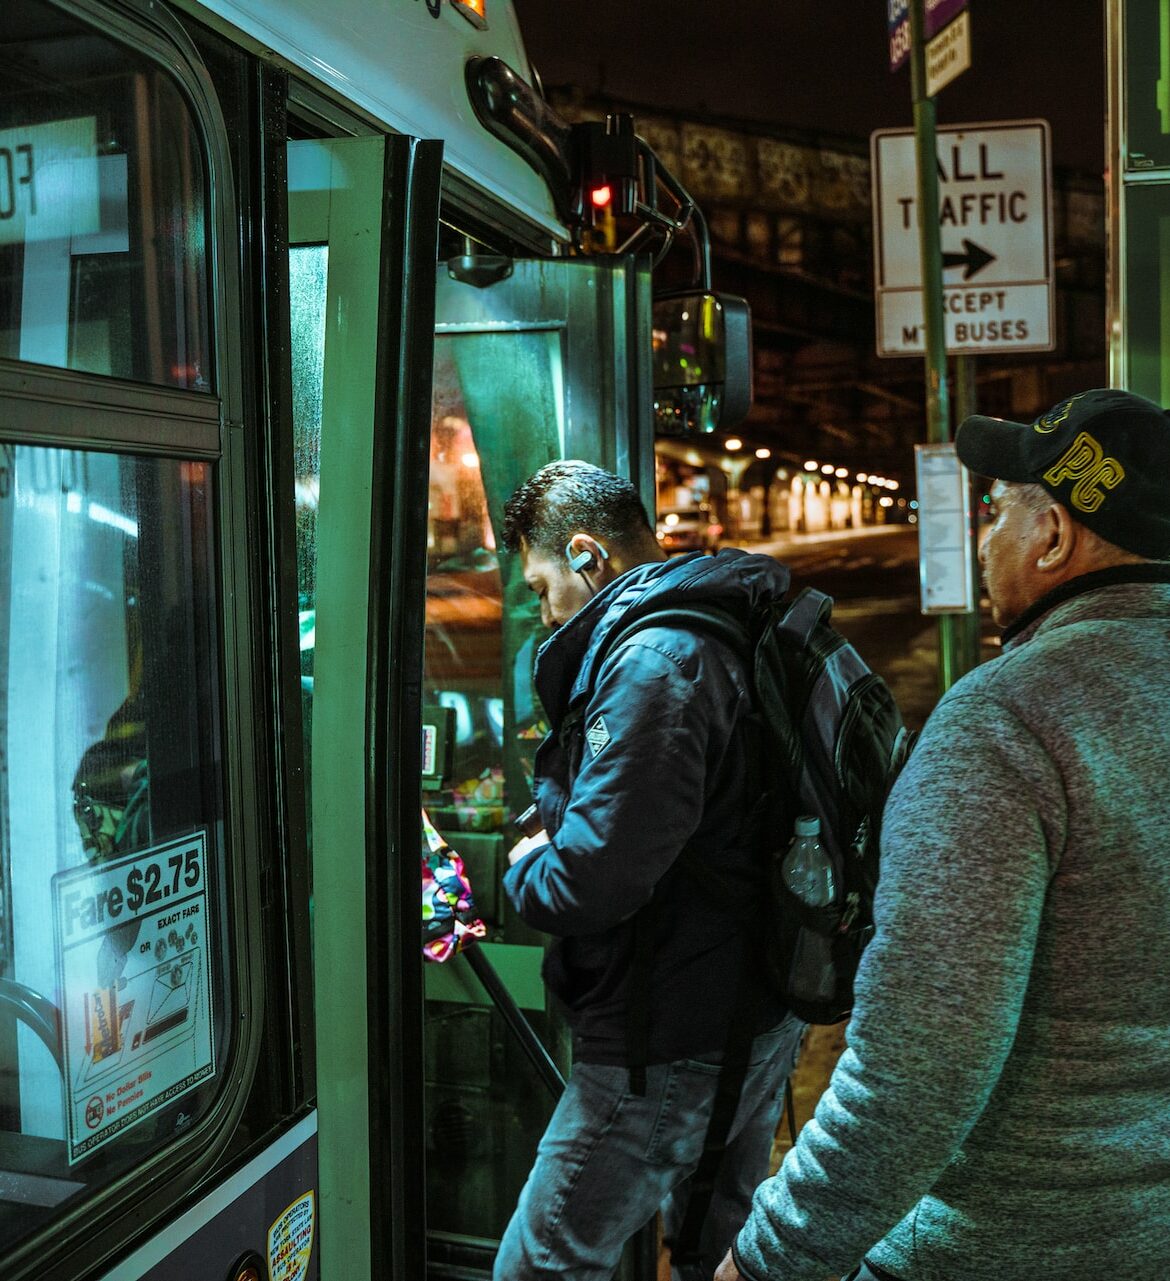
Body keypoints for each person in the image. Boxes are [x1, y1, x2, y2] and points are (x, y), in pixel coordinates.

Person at [717, 387, 1170, 1281]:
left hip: (1007, 1243)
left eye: (1000, 511)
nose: (984, 537)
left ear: (1054, 539)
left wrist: (772, 1257)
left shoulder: (1005, 722)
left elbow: (915, 1072)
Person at [494, 460, 807, 1281]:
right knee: (716, 1242)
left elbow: (589, 880)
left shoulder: (655, 664)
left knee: (539, 1266)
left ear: (589, 555)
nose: (539, 607)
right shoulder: (722, 617)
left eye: (539, 584)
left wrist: (521, 857)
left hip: (667, 1035)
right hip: (749, 1001)